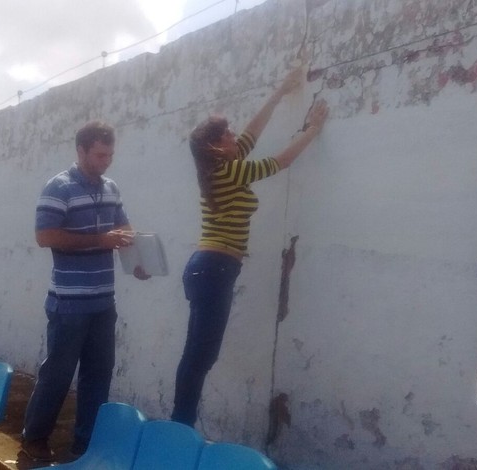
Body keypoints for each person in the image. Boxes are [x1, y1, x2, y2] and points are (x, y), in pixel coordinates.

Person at [171, 68, 328, 427]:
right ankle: (179, 427)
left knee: (198, 354)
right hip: (214, 269)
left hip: (211, 268)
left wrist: (279, 92)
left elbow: (251, 134)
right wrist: (313, 130)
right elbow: (281, 161)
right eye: (225, 134)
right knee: (201, 355)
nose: (233, 135)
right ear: (214, 146)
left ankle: (179, 424)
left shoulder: (223, 165)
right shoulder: (228, 172)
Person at [22, 121, 150, 462]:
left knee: (98, 374)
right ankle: (34, 439)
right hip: (69, 302)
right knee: (58, 374)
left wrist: (136, 258)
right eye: (99, 154)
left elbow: (123, 228)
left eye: (109, 154)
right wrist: (99, 240)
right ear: (80, 151)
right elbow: (45, 236)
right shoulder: (58, 187)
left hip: (103, 301)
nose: (106, 161)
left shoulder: (111, 187)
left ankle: (85, 444)